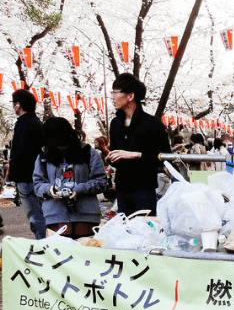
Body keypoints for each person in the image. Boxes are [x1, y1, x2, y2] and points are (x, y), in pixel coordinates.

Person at [105, 73, 171, 215]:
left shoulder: (152, 124)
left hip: (144, 189)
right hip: (122, 189)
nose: (112, 97)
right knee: (126, 231)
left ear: (130, 96)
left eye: (116, 92)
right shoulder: (115, 123)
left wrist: (136, 155)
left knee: (145, 230)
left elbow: (165, 157)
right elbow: (117, 156)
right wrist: (112, 158)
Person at [32, 117, 107, 239]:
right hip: (54, 215)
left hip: (86, 215)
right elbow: (37, 184)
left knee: (86, 253)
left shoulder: (87, 151)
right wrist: (49, 190)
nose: (61, 146)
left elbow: (101, 181)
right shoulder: (43, 155)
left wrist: (80, 189)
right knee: (59, 255)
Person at [9, 89, 46, 238]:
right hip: (35, 175)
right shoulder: (35, 122)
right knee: (38, 214)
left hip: (26, 176)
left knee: (34, 214)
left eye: (13, 103)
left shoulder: (25, 124)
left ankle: (43, 243)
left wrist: (12, 172)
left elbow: (22, 152)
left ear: (18, 105)